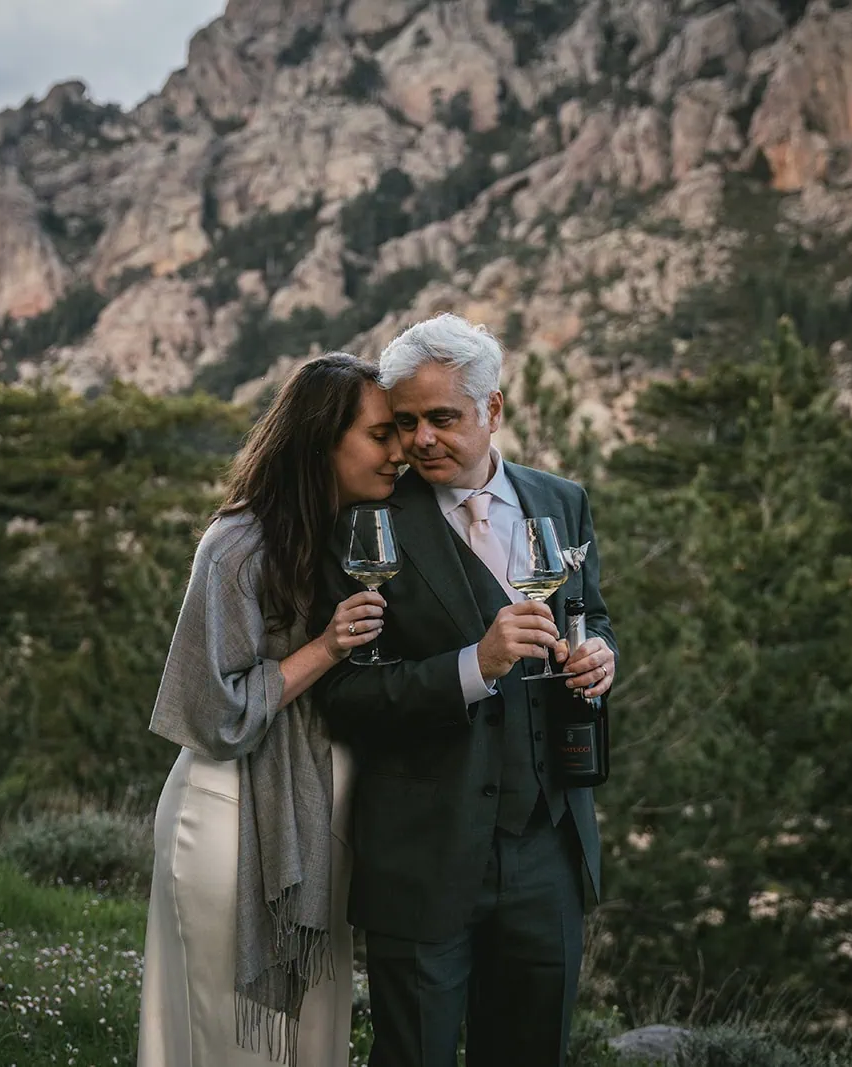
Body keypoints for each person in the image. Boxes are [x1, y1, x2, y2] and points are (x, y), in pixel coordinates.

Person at [310, 313, 617, 1067]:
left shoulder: (561, 501)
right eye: (406, 421)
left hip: (549, 843)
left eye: (442, 418)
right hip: (423, 851)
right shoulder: (368, 526)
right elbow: (345, 692)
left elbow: (594, 613)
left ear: (493, 410)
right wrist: (473, 664)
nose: (420, 440)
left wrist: (602, 654)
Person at [138, 353, 403, 1067]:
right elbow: (211, 711)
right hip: (228, 820)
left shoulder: (349, 538)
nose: (400, 450)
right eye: (381, 435)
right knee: (228, 1039)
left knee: (313, 1043)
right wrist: (326, 646)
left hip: (316, 833)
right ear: (323, 440)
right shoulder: (237, 547)